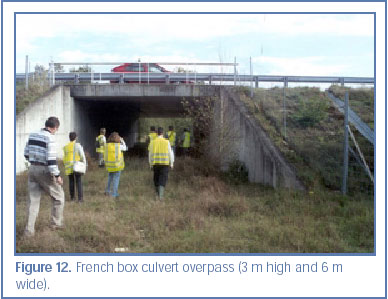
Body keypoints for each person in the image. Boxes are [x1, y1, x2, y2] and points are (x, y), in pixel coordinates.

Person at [23, 116, 65, 236]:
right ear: (54, 128)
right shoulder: (50, 138)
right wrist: (57, 175)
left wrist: (34, 161)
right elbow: (51, 159)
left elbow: (26, 153)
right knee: (59, 197)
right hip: (44, 169)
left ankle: (29, 231)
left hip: (32, 168)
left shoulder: (32, 135)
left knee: (33, 201)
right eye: (56, 129)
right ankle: (56, 224)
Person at [149, 127, 174, 200]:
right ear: (162, 133)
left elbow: (150, 154)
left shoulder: (152, 142)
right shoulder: (167, 142)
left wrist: (150, 164)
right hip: (165, 164)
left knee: (156, 178)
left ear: (156, 133)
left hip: (155, 164)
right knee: (163, 179)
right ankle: (160, 196)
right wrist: (171, 163)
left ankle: (157, 194)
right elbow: (170, 153)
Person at [63, 132, 86, 202]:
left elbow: (65, 158)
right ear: (76, 137)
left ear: (69, 137)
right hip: (77, 167)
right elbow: (82, 156)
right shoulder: (78, 146)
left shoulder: (66, 147)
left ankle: (72, 198)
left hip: (69, 167)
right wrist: (84, 165)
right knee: (78, 182)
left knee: (71, 182)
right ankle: (80, 199)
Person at [104, 132, 125, 198]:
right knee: (116, 179)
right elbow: (125, 147)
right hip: (117, 166)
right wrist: (122, 140)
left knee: (110, 178)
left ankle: (107, 190)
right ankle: (114, 193)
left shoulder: (107, 146)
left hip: (109, 165)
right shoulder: (119, 146)